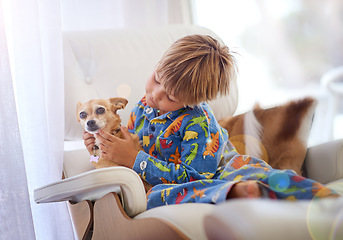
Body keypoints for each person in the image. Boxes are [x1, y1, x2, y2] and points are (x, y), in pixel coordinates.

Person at [83, 34, 339, 209]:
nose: (155, 94)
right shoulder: (142, 107)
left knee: (274, 178)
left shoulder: (199, 122)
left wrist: (134, 159)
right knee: (156, 195)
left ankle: (330, 200)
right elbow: (130, 145)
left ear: (192, 101)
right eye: (157, 77)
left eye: (171, 96)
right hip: (166, 184)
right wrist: (99, 147)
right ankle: (235, 193)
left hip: (223, 171)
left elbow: (197, 175)